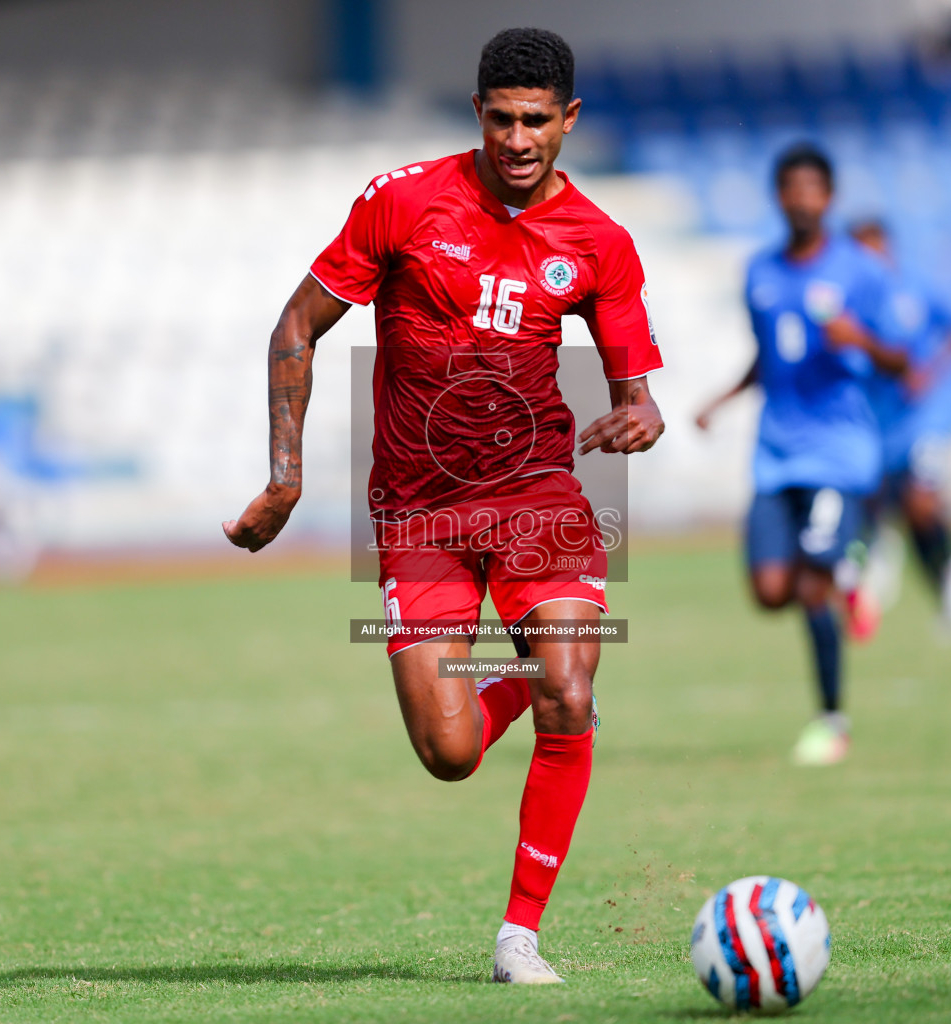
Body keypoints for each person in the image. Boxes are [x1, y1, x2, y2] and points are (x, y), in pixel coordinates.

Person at [224, 28, 664, 984]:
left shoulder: (600, 241)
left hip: (536, 493)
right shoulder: (404, 200)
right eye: (502, 119)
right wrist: (286, 476)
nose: (518, 139)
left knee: (572, 693)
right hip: (418, 513)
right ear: (477, 114)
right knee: (450, 752)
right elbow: (296, 324)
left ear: (568, 120)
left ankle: (519, 937)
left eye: (537, 121)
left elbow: (637, 394)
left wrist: (639, 416)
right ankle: (532, 668)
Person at [695, 143, 905, 767]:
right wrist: (723, 399)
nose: (803, 199)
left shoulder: (860, 271)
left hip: (839, 453)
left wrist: (857, 338)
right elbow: (770, 355)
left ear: (829, 198)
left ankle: (830, 722)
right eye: (792, 188)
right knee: (769, 591)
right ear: (779, 196)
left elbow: (900, 361)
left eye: (814, 188)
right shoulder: (760, 271)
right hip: (775, 454)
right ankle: (849, 568)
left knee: (810, 584)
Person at [848, 218, 951, 636]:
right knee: (886, 510)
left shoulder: (916, 289)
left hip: (927, 418)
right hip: (879, 425)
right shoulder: (847, 302)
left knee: (921, 501)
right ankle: (918, 578)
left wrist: (931, 372)